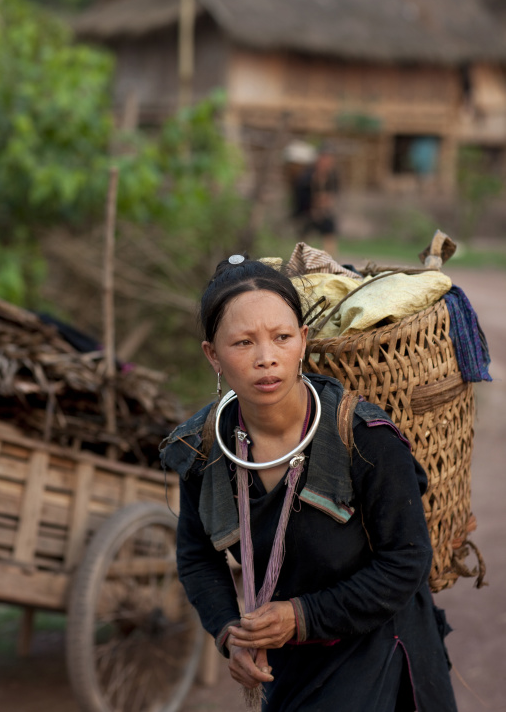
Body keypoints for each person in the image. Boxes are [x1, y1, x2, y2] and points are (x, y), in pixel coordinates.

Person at [160, 255, 458, 712]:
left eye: (281, 337)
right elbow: (198, 556)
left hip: (382, 647)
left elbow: (407, 561)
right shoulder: (205, 450)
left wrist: (301, 615)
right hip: (291, 664)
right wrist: (230, 633)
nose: (266, 358)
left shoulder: (363, 438)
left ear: (302, 341)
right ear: (212, 355)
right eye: (243, 342)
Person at [291, 143, 340, 259]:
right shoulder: (307, 177)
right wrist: (313, 204)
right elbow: (299, 198)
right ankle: (302, 261)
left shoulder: (332, 177)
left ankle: (330, 260)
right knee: (304, 237)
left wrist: (327, 200)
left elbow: (334, 194)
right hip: (306, 212)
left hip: (323, 213)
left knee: (329, 229)